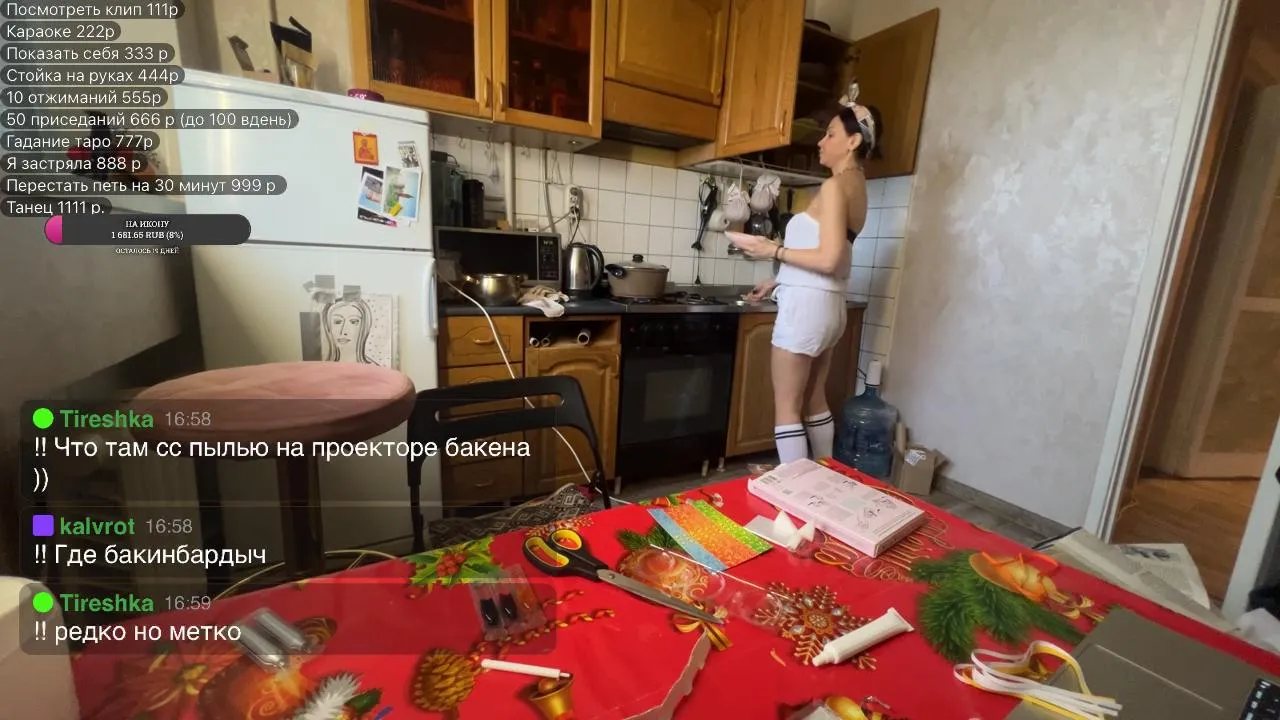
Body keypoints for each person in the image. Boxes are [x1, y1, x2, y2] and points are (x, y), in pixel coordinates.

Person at [728, 84, 883, 464]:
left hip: (806, 309)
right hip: (830, 307)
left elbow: (828, 258)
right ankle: (825, 475)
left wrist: (771, 250)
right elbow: (833, 252)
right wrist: (777, 279)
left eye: (830, 134)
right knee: (814, 397)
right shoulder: (858, 186)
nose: (820, 142)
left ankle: (796, 487)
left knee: (787, 404)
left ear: (853, 142)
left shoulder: (833, 187)